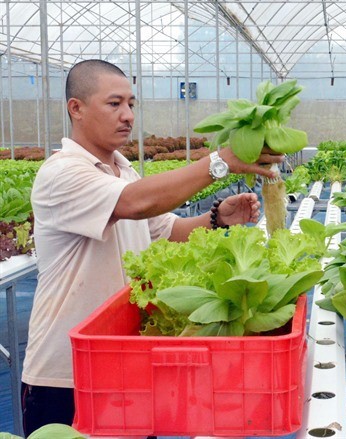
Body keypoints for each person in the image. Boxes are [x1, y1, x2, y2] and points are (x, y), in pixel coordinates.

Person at [20, 59, 283, 436]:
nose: (127, 115)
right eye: (114, 104)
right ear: (75, 108)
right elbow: (135, 204)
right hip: (66, 376)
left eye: (132, 104)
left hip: (127, 365)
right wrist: (221, 162)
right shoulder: (62, 173)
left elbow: (166, 230)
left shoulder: (124, 171)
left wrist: (219, 218)